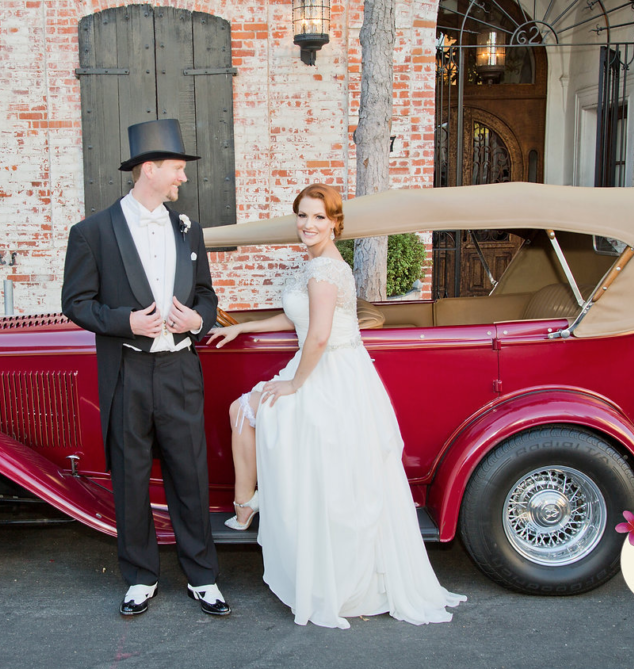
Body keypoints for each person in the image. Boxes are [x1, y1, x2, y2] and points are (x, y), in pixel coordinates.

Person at [207, 183, 465, 629]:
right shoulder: (317, 264)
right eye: (302, 216)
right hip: (325, 366)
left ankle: (248, 506)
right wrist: (242, 329)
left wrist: (294, 387)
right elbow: (295, 316)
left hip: (329, 371)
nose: (308, 225)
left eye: (318, 218)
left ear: (335, 224)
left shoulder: (324, 270)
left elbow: (320, 335)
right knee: (243, 410)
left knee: (250, 411)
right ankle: (247, 504)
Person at [62, 119, 229, 617]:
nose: (183, 178)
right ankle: (139, 576)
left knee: (190, 476)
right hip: (127, 374)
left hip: (180, 371)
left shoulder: (188, 228)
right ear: (149, 169)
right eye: (177, 169)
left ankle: (203, 577)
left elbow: (207, 294)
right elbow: (75, 302)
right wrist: (125, 321)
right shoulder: (91, 232)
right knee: (132, 479)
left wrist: (199, 318)